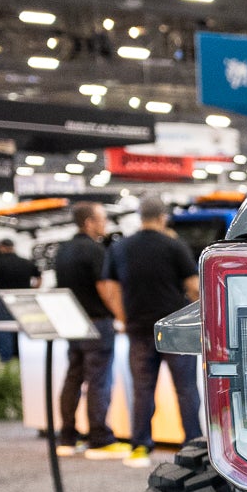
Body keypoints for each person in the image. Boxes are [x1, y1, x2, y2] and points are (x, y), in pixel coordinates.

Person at [99, 195, 200, 466]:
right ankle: (193, 448)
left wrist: (123, 316)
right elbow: (194, 287)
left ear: (140, 217)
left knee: (142, 390)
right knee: (186, 389)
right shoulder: (174, 245)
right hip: (176, 330)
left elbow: (109, 287)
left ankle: (140, 447)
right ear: (162, 217)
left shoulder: (120, 247)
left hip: (138, 328)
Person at [55, 203, 122, 458]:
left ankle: (67, 437)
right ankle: (99, 438)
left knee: (73, 378)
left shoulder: (63, 249)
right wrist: (121, 316)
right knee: (98, 381)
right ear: (89, 222)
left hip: (72, 322)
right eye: (102, 219)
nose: (105, 224)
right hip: (97, 323)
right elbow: (105, 288)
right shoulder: (95, 250)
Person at [0, 238, 39, 361]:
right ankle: (25, 357)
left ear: (2, 247)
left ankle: (7, 360)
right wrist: (32, 291)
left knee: (5, 329)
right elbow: (38, 278)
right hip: (24, 300)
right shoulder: (25, 262)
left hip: (4, 300)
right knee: (25, 328)